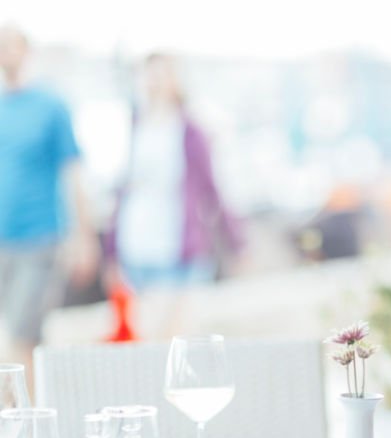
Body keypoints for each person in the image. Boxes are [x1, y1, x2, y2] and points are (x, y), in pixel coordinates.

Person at [0, 24, 99, 373]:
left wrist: (84, 238)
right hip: (4, 240)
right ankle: (35, 414)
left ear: (26, 51)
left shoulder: (51, 105)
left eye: (9, 44)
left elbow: (73, 173)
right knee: (28, 338)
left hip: (40, 238)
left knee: (20, 336)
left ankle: (11, 415)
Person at [106, 53, 241, 293]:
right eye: (148, 75)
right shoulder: (135, 126)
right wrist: (110, 251)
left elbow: (212, 190)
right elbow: (122, 190)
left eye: (161, 75)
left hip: (175, 250)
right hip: (135, 248)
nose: (154, 82)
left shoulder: (190, 132)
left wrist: (236, 242)